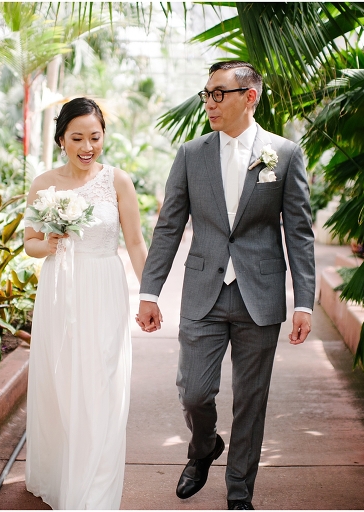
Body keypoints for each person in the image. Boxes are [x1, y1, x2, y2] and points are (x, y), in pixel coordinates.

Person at [136, 61, 316, 510]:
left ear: (249, 97)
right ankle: (202, 448)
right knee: (194, 391)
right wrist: (149, 291)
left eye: (219, 94)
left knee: (251, 402)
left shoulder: (285, 154)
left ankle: (239, 493)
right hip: (204, 291)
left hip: (261, 293)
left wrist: (305, 302)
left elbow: (299, 231)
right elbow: (169, 226)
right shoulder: (191, 154)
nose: (210, 103)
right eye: (207, 94)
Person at [23, 97, 148, 510]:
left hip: (105, 287)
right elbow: (29, 245)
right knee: (62, 382)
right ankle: (63, 472)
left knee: (102, 382)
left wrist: (149, 294)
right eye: (77, 137)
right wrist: (50, 242)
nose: (87, 146)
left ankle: (93, 489)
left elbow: (133, 242)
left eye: (95, 137)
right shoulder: (44, 184)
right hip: (61, 291)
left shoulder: (118, 181)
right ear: (62, 139)